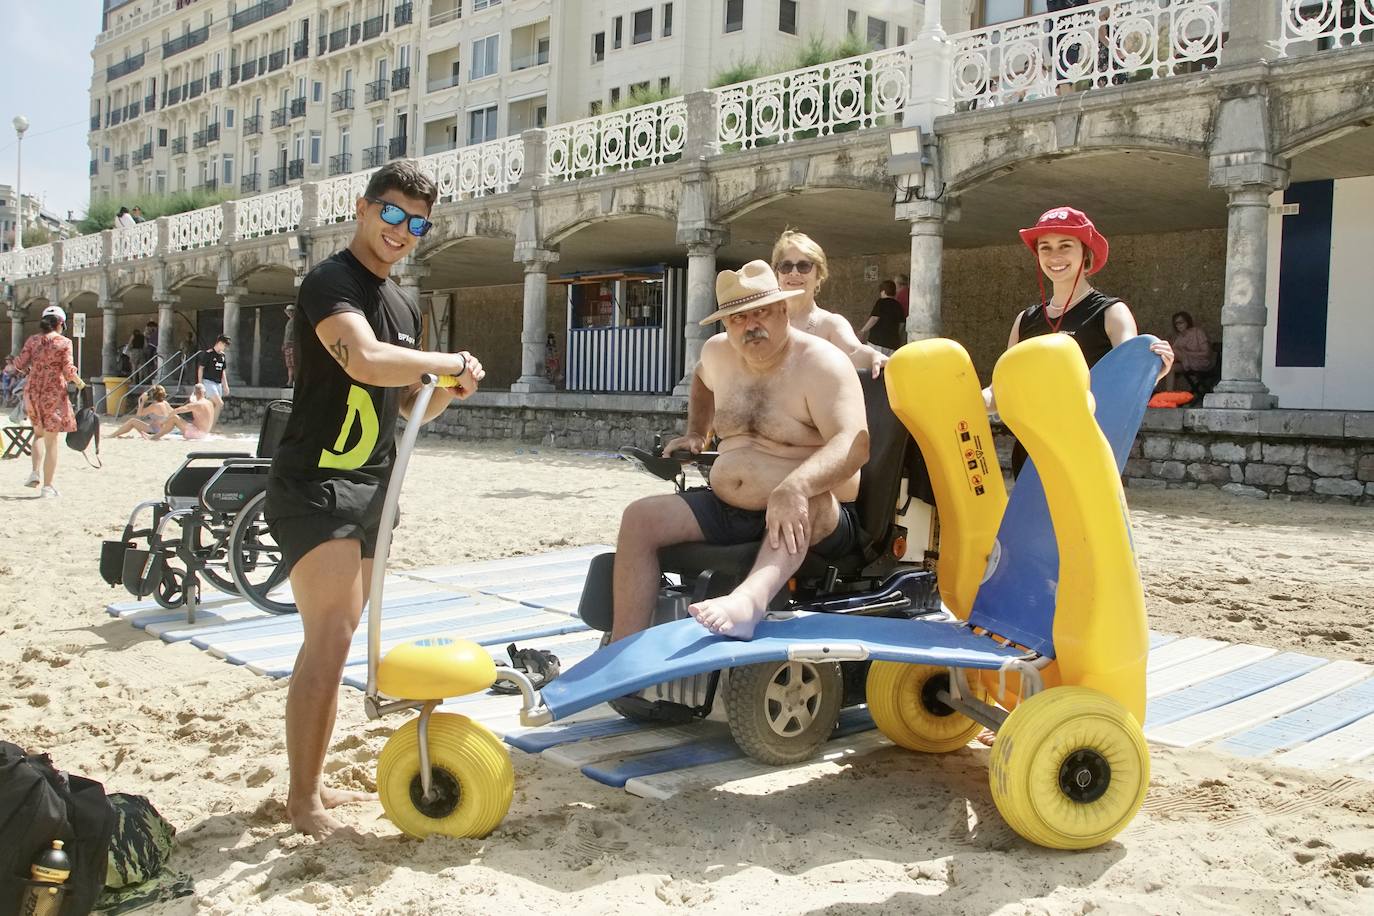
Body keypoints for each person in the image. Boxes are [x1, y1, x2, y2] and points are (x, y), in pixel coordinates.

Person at [263, 160, 485, 839]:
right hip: (313, 483)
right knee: (328, 636)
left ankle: (311, 786)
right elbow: (360, 359)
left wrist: (451, 388)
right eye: (391, 214)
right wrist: (443, 361)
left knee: (341, 633)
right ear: (363, 209)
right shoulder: (329, 283)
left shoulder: (405, 304)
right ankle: (304, 801)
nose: (402, 231)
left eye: (417, 223)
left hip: (372, 487)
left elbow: (409, 405)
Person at [610, 260, 869, 643]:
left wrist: (795, 487)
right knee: (639, 518)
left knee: (808, 501)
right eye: (736, 318)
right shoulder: (719, 354)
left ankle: (748, 603)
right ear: (725, 325)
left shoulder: (821, 363)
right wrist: (697, 433)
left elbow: (854, 443)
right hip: (728, 507)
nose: (749, 325)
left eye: (760, 312)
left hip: (816, 508)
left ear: (783, 310)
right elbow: (700, 380)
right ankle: (623, 646)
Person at [986, 206, 1173, 477]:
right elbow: (1001, 390)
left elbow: (1125, 384)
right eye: (1045, 248)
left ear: (1085, 252)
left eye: (1065, 246)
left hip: (1085, 454)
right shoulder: (1025, 319)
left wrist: (1152, 374)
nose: (1055, 256)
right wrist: (961, 399)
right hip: (1030, 453)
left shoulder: (1111, 312)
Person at [771, 229, 888, 378]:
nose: (794, 272)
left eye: (804, 266)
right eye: (786, 266)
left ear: (819, 275)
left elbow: (853, 351)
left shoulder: (830, 324)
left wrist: (873, 357)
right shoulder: (762, 321)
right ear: (777, 274)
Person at [13, 305, 84, 497]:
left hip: (33, 391)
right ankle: (48, 486)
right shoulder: (64, 342)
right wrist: (80, 383)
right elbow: (69, 371)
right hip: (53, 393)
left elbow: (18, 364)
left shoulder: (33, 340)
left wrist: (33, 370)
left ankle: (34, 472)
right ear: (61, 323)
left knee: (38, 434)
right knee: (52, 441)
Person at [1161, 310, 1213, 391]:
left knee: (1173, 352)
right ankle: (1169, 393)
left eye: (1181, 322)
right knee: (1170, 367)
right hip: (1186, 363)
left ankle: (1158, 365)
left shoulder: (1198, 332)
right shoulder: (1180, 337)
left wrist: (1187, 354)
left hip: (1201, 362)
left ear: (1187, 322)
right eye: (1176, 324)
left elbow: (1206, 353)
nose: (1179, 325)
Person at [857, 279, 906, 355]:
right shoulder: (898, 305)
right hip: (892, 344)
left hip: (877, 341)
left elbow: (874, 318)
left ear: (883, 291)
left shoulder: (881, 302)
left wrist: (862, 331)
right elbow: (901, 324)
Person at [196, 335, 230, 429]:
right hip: (208, 382)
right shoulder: (208, 354)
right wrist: (200, 384)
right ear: (220, 343)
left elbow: (222, 371)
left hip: (218, 383)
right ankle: (210, 427)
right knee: (220, 403)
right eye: (224, 345)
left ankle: (206, 426)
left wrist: (225, 385)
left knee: (212, 406)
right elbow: (201, 368)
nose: (225, 348)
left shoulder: (222, 356)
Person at [282, 305, 297, 387]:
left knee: (293, 364)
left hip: (293, 345)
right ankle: (290, 382)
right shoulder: (290, 321)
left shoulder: (295, 321)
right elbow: (287, 335)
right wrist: (284, 344)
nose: (289, 313)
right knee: (290, 364)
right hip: (288, 345)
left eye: (291, 311)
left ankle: (293, 381)